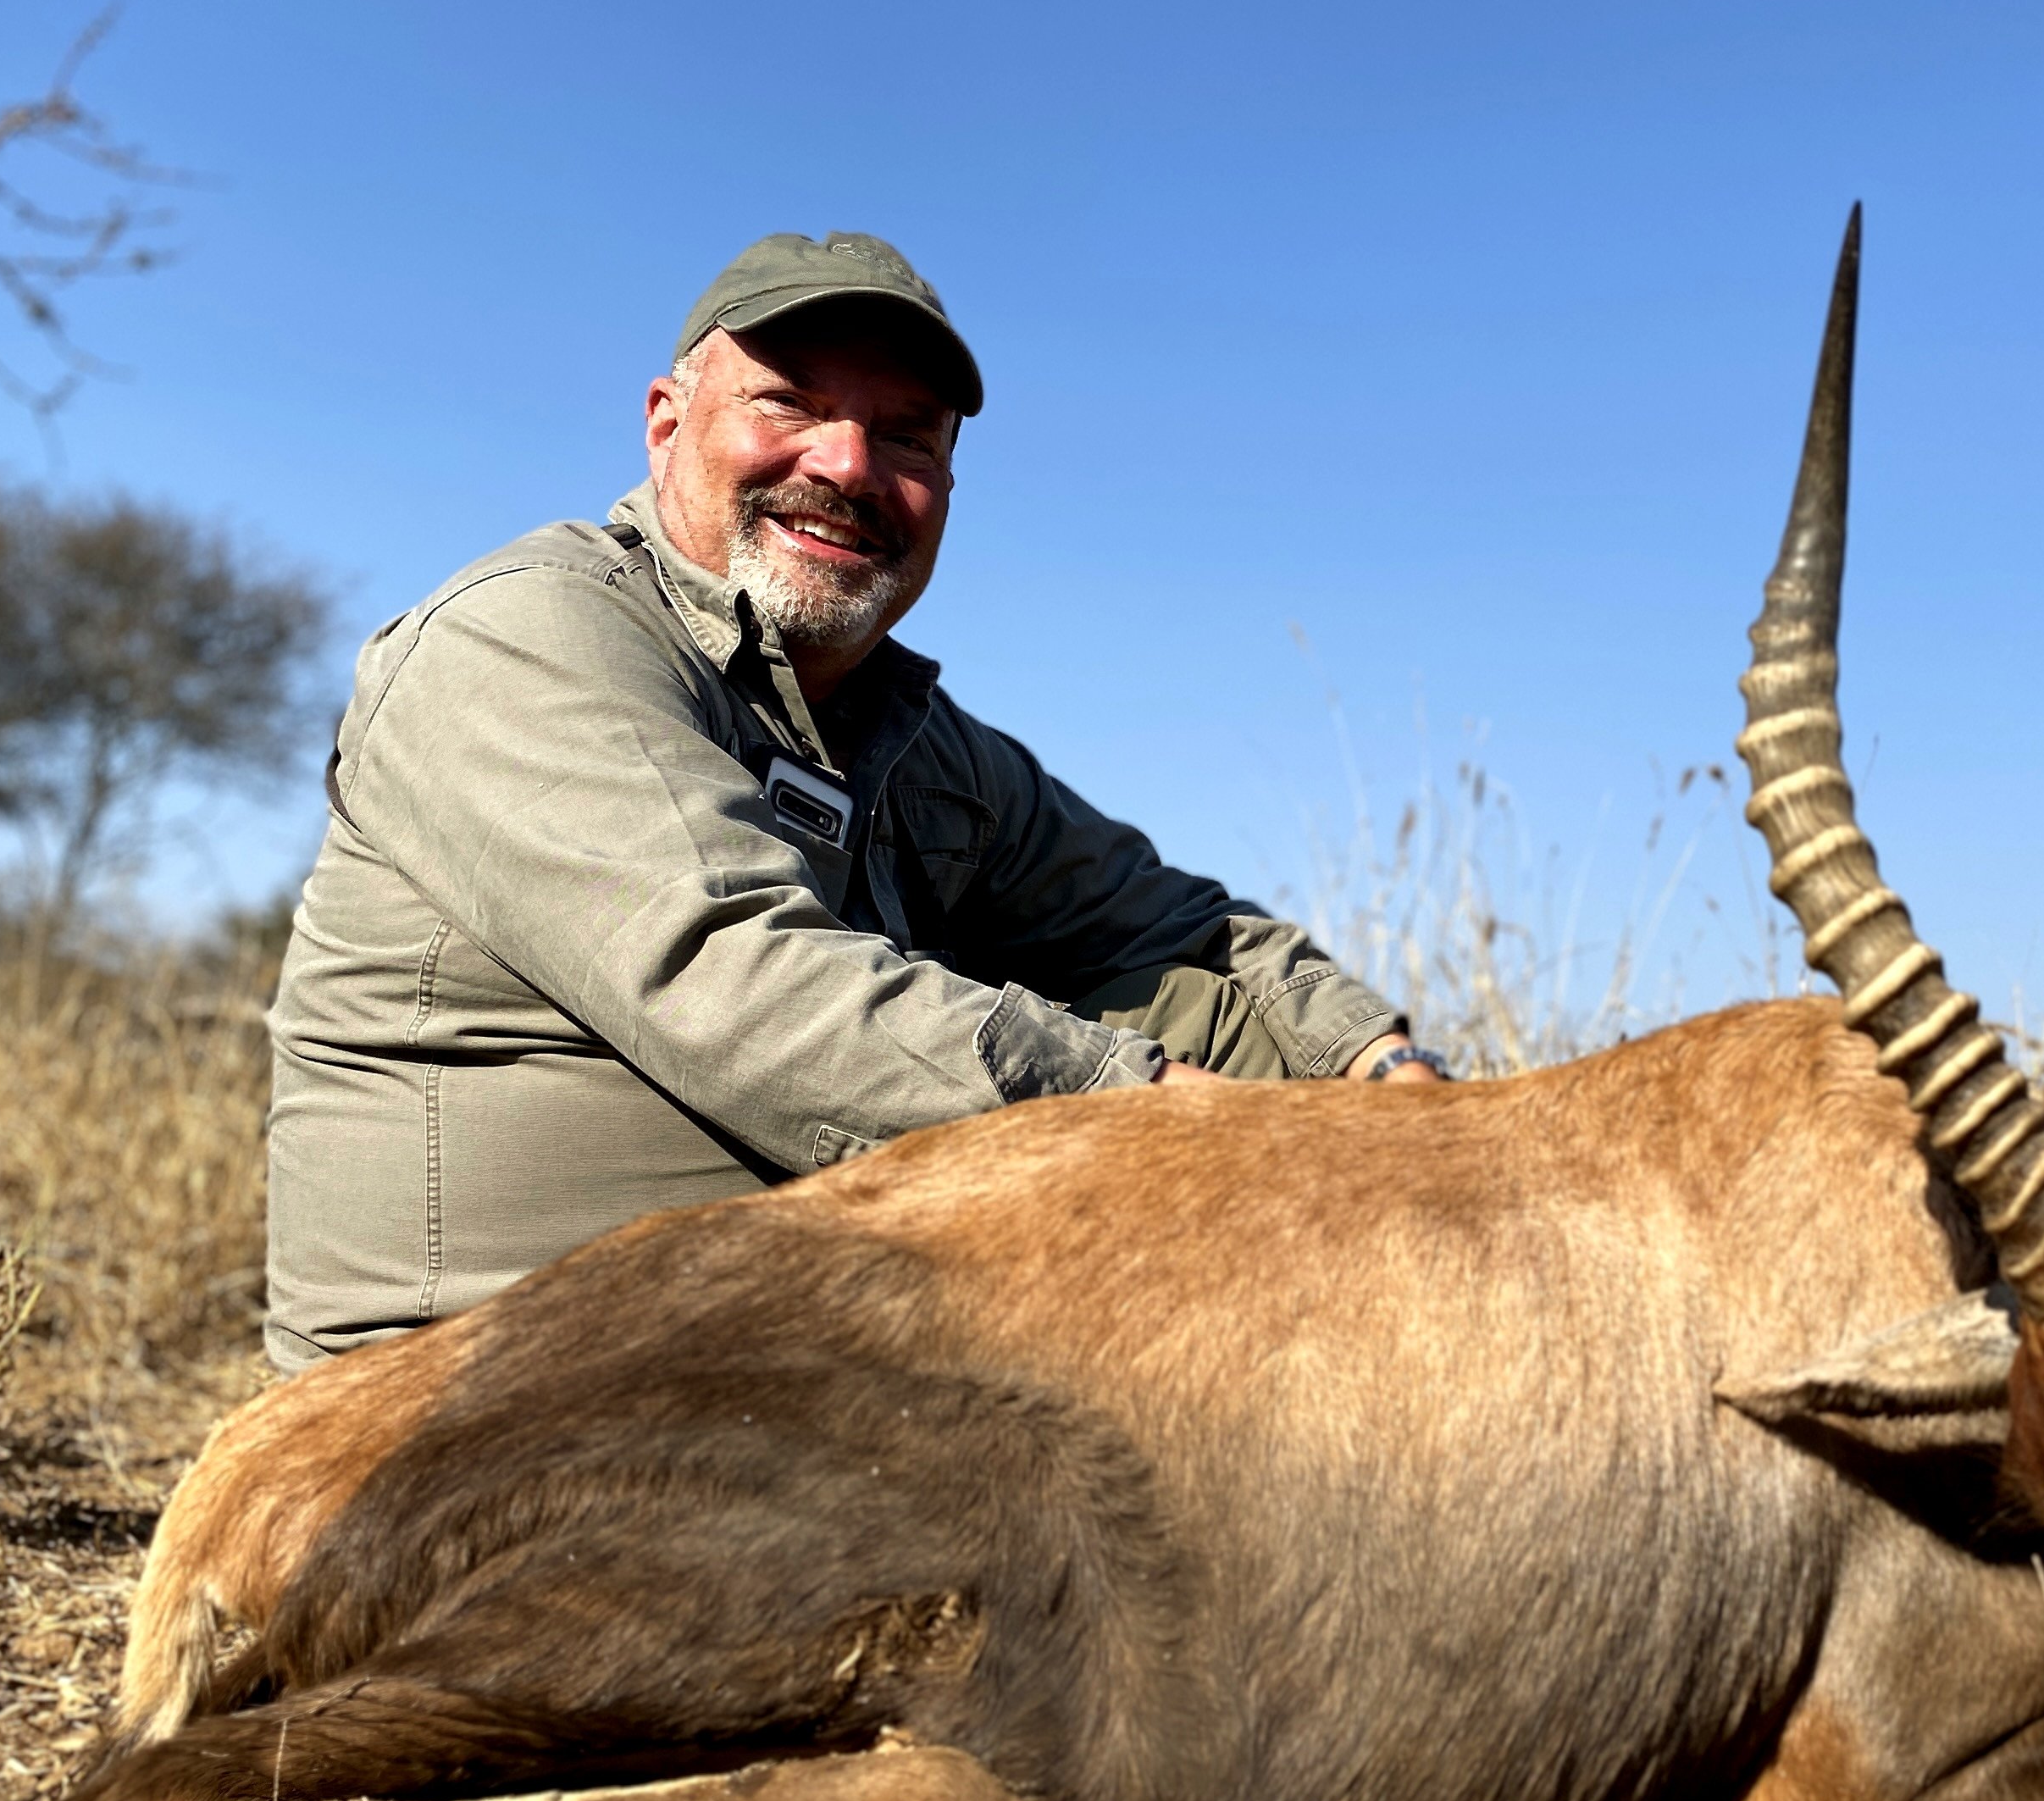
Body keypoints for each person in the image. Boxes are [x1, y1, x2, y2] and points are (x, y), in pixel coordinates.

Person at [263, 231, 1437, 1372]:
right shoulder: (523, 639)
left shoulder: (917, 741)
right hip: (476, 1400)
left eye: (907, 437)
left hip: (798, 1361)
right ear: (667, 424)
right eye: (787, 404)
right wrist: (1166, 1130)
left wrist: (1392, 1081)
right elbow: (735, 974)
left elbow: (1189, 930)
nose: (846, 466)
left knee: (1199, 1010)